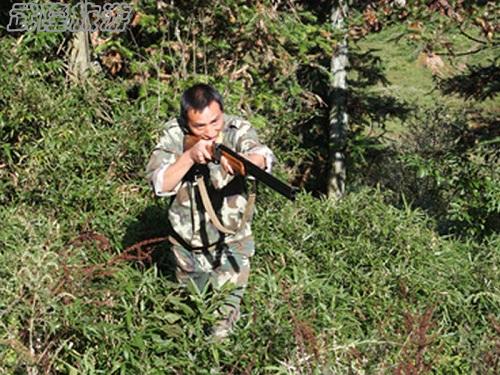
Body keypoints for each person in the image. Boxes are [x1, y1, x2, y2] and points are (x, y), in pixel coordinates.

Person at [146, 83, 274, 338]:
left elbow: (261, 155)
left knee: (221, 326)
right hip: (187, 247)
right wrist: (190, 156)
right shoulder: (173, 135)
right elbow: (160, 183)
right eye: (199, 127)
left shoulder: (236, 129)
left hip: (232, 244)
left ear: (222, 112)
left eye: (215, 121)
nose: (210, 131)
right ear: (186, 123)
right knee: (190, 322)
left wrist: (238, 161)